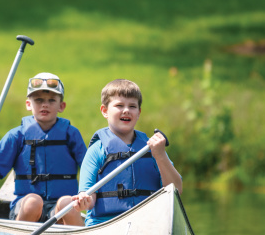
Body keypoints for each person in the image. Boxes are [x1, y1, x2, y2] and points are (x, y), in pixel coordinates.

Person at [0, 73, 88, 225]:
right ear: (28, 104)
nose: (45, 105)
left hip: (59, 210)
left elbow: (90, 168)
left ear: (61, 106)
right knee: (33, 202)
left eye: (51, 100)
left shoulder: (71, 134)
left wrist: (86, 194)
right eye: (39, 100)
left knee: (68, 204)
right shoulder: (17, 135)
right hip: (25, 205)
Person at [74, 79, 183, 226]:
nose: (126, 110)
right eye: (119, 105)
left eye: (132, 106)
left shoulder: (152, 148)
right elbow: (89, 198)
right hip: (105, 224)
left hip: (148, 223)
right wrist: (84, 200)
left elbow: (176, 189)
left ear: (138, 112)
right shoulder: (96, 150)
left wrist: (160, 155)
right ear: (105, 111)